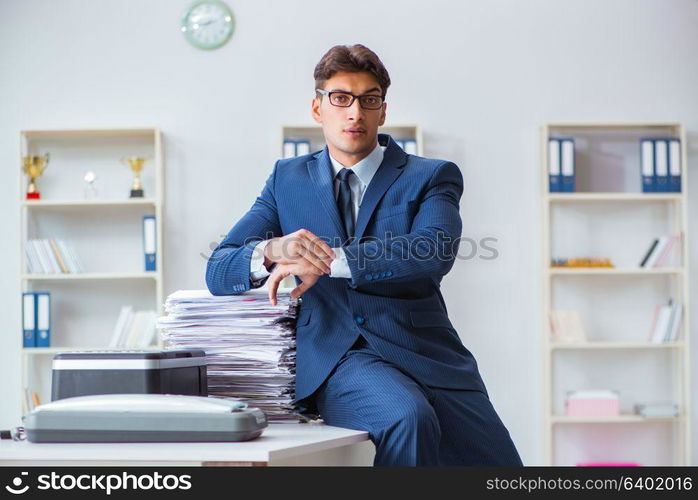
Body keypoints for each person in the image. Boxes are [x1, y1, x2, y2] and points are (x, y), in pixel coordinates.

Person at [206, 43, 523, 466]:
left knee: (501, 467)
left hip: (429, 353)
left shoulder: (430, 175)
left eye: (368, 100)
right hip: (342, 356)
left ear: (383, 111)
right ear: (318, 108)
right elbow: (218, 268)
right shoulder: (287, 179)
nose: (355, 112)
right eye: (340, 98)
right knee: (406, 418)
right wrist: (273, 248)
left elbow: (433, 249)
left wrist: (328, 259)